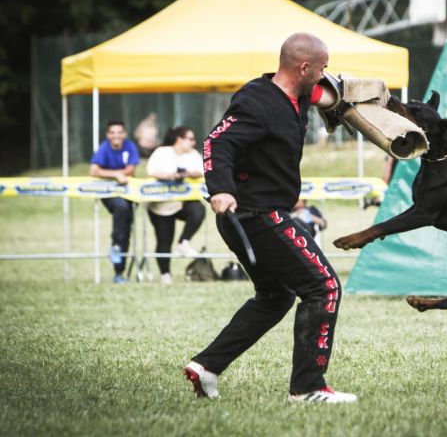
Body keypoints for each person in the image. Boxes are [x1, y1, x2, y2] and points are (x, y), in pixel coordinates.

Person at [183, 33, 357, 403]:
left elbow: (329, 95)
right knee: (324, 287)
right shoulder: (257, 101)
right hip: (254, 214)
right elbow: (216, 142)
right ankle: (308, 388)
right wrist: (221, 189)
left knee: (276, 296)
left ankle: (207, 366)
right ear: (304, 68)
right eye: (322, 68)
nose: (325, 74)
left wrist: (369, 104)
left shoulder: (299, 95)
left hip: (258, 214)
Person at [146, 126, 206, 285]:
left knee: (198, 210)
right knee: (164, 240)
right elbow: (151, 171)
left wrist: (187, 173)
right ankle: (165, 275)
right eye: (190, 139)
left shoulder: (193, 154)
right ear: (179, 139)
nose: (193, 142)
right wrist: (169, 176)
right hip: (161, 205)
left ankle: (183, 242)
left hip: (183, 202)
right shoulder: (161, 152)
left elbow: (201, 171)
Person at [89, 120, 140, 284]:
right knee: (121, 207)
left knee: (126, 230)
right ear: (107, 135)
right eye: (112, 132)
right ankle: (115, 243)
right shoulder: (104, 148)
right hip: (109, 192)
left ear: (124, 134)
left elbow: (131, 170)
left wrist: (114, 173)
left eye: (119, 132)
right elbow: (93, 170)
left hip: (128, 193)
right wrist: (116, 175)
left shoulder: (130, 146)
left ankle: (119, 272)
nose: (116, 136)